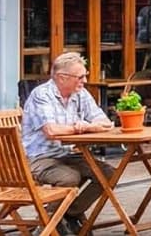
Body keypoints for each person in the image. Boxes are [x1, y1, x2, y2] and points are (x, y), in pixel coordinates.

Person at [22, 52, 116, 235]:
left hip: (67, 154)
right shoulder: (42, 95)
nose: (85, 80)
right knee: (69, 177)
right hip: (40, 157)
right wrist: (80, 128)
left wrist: (88, 126)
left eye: (85, 75)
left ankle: (65, 215)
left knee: (108, 174)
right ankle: (54, 220)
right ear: (62, 77)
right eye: (80, 77)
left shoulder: (80, 93)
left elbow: (104, 122)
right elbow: (51, 131)